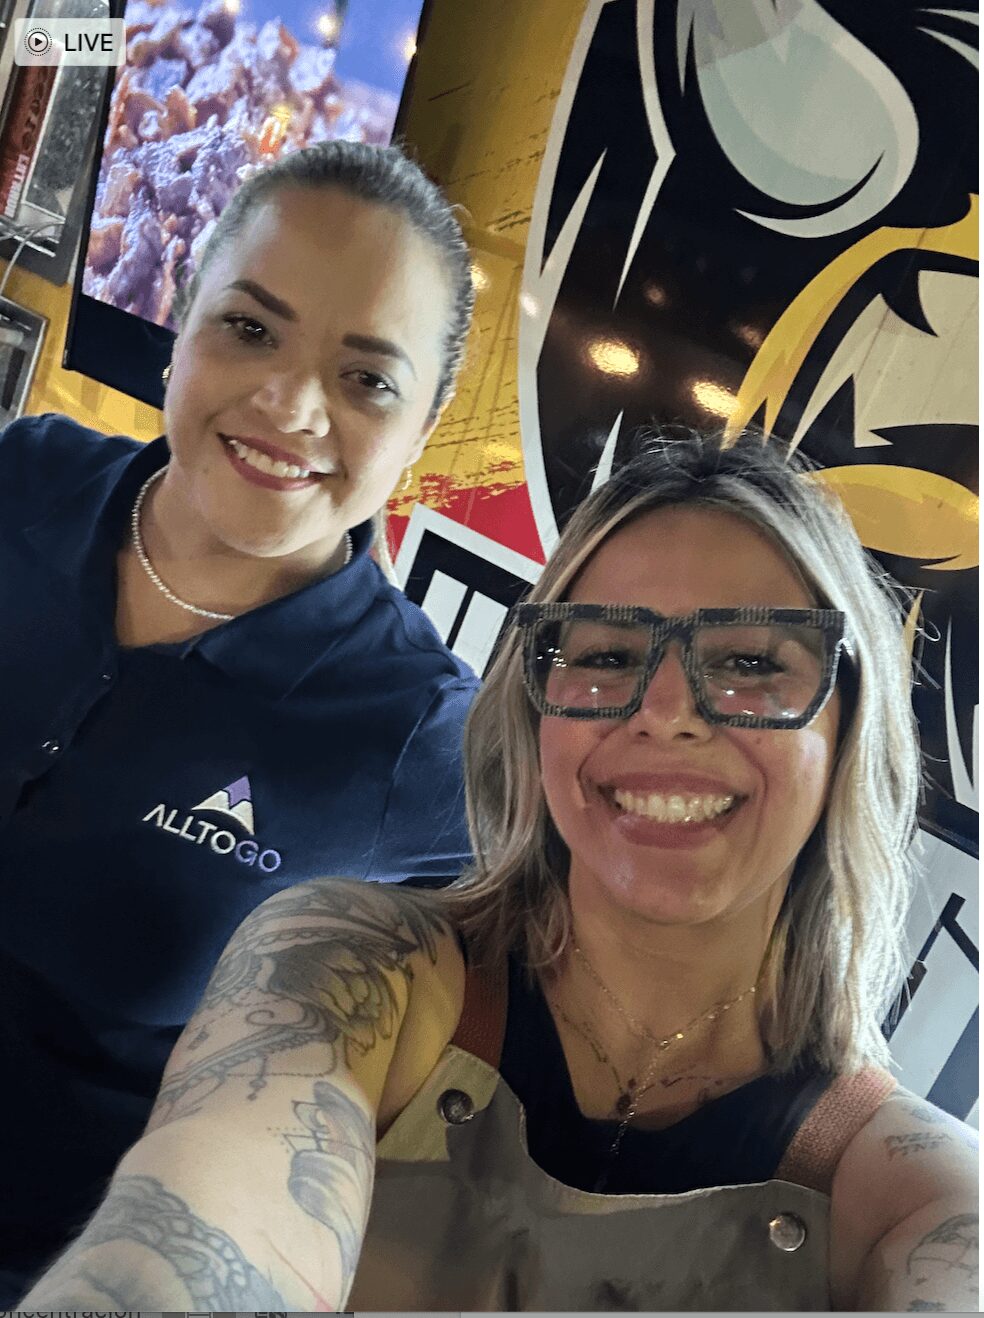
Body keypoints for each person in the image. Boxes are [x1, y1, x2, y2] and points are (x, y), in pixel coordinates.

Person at [18, 432, 978, 1312]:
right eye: (608, 652)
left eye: (753, 663)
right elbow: (197, 1228)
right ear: (534, 709)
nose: (667, 711)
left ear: (848, 725)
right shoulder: (349, 974)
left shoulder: (923, 1199)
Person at [0, 140, 482, 1304]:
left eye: (367, 380)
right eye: (251, 328)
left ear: (424, 425)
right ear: (182, 313)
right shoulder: (24, 475)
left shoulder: (420, 736)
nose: (290, 404)